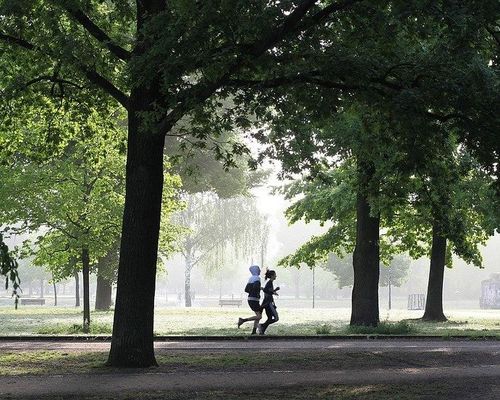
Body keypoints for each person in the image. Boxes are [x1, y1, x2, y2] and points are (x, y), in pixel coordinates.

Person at [237, 265, 262, 334]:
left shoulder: (251, 278)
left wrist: (256, 290)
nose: (260, 270)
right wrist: (257, 292)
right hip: (254, 299)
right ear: (256, 271)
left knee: (258, 316)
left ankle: (254, 332)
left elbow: (246, 290)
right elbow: (255, 287)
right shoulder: (257, 278)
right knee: (259, 316)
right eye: (259, 269)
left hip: (251, 299)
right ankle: (243, 320)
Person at [258, 269, 280, 335]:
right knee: (276, 318)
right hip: (269, 303)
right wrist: (276, 289)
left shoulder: (270, 283)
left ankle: (262, 330)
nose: (276, 276)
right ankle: (261, 326)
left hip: (267, 303)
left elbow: (267, 291)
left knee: (270, 318)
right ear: (272, 276)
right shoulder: (269, 283)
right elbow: (267, 291)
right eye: (275, 275)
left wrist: (274, 292)